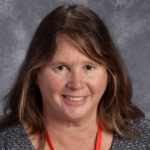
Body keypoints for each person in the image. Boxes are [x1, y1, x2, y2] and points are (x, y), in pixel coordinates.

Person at [0, 4, 149, 150]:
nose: (76, 84)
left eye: (89, 67)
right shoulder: (6, 144)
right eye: (61, 67)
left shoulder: (144, 139)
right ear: (35, 74)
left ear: (109, 74)